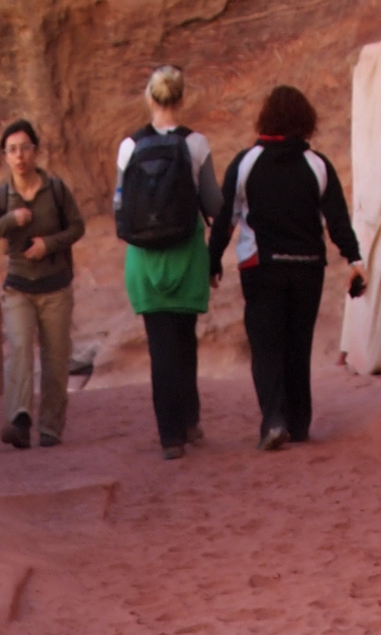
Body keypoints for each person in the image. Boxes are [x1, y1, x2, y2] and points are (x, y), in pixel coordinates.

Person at [209, 84, 365, 450]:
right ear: (306, 121)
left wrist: (211, 260)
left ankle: (273, 421)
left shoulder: (246, 163)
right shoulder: (317, 165)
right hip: (308, 268)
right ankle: (299, 422)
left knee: (266, 346)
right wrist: (354, 260)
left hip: (261, 267)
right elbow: (337, 220)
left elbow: (226, 219)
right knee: (298, 344)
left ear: (265, 118)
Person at [115, 65, 223, 460]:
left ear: (149, 97)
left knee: (160, 347)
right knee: (184, 338)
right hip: (186, 255)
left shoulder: (129, 146)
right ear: (182, 98)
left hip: (144, 260)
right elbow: (214, 204)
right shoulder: (196, 144)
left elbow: (119, 205)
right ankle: (190, 419)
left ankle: (170, 436)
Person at [0, 120, 87, 449]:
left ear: (36, 151)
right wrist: (10, 220)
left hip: (56, 287)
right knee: (20, 349)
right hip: (19, 287)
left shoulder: (56, 190)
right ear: (4, 156)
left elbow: (77, 227)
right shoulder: (2, 196)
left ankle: (51, 427)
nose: (19, 156)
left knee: (56, 358)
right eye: (12, 150)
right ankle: (19, 420)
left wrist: (48, 244)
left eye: (25, 148)